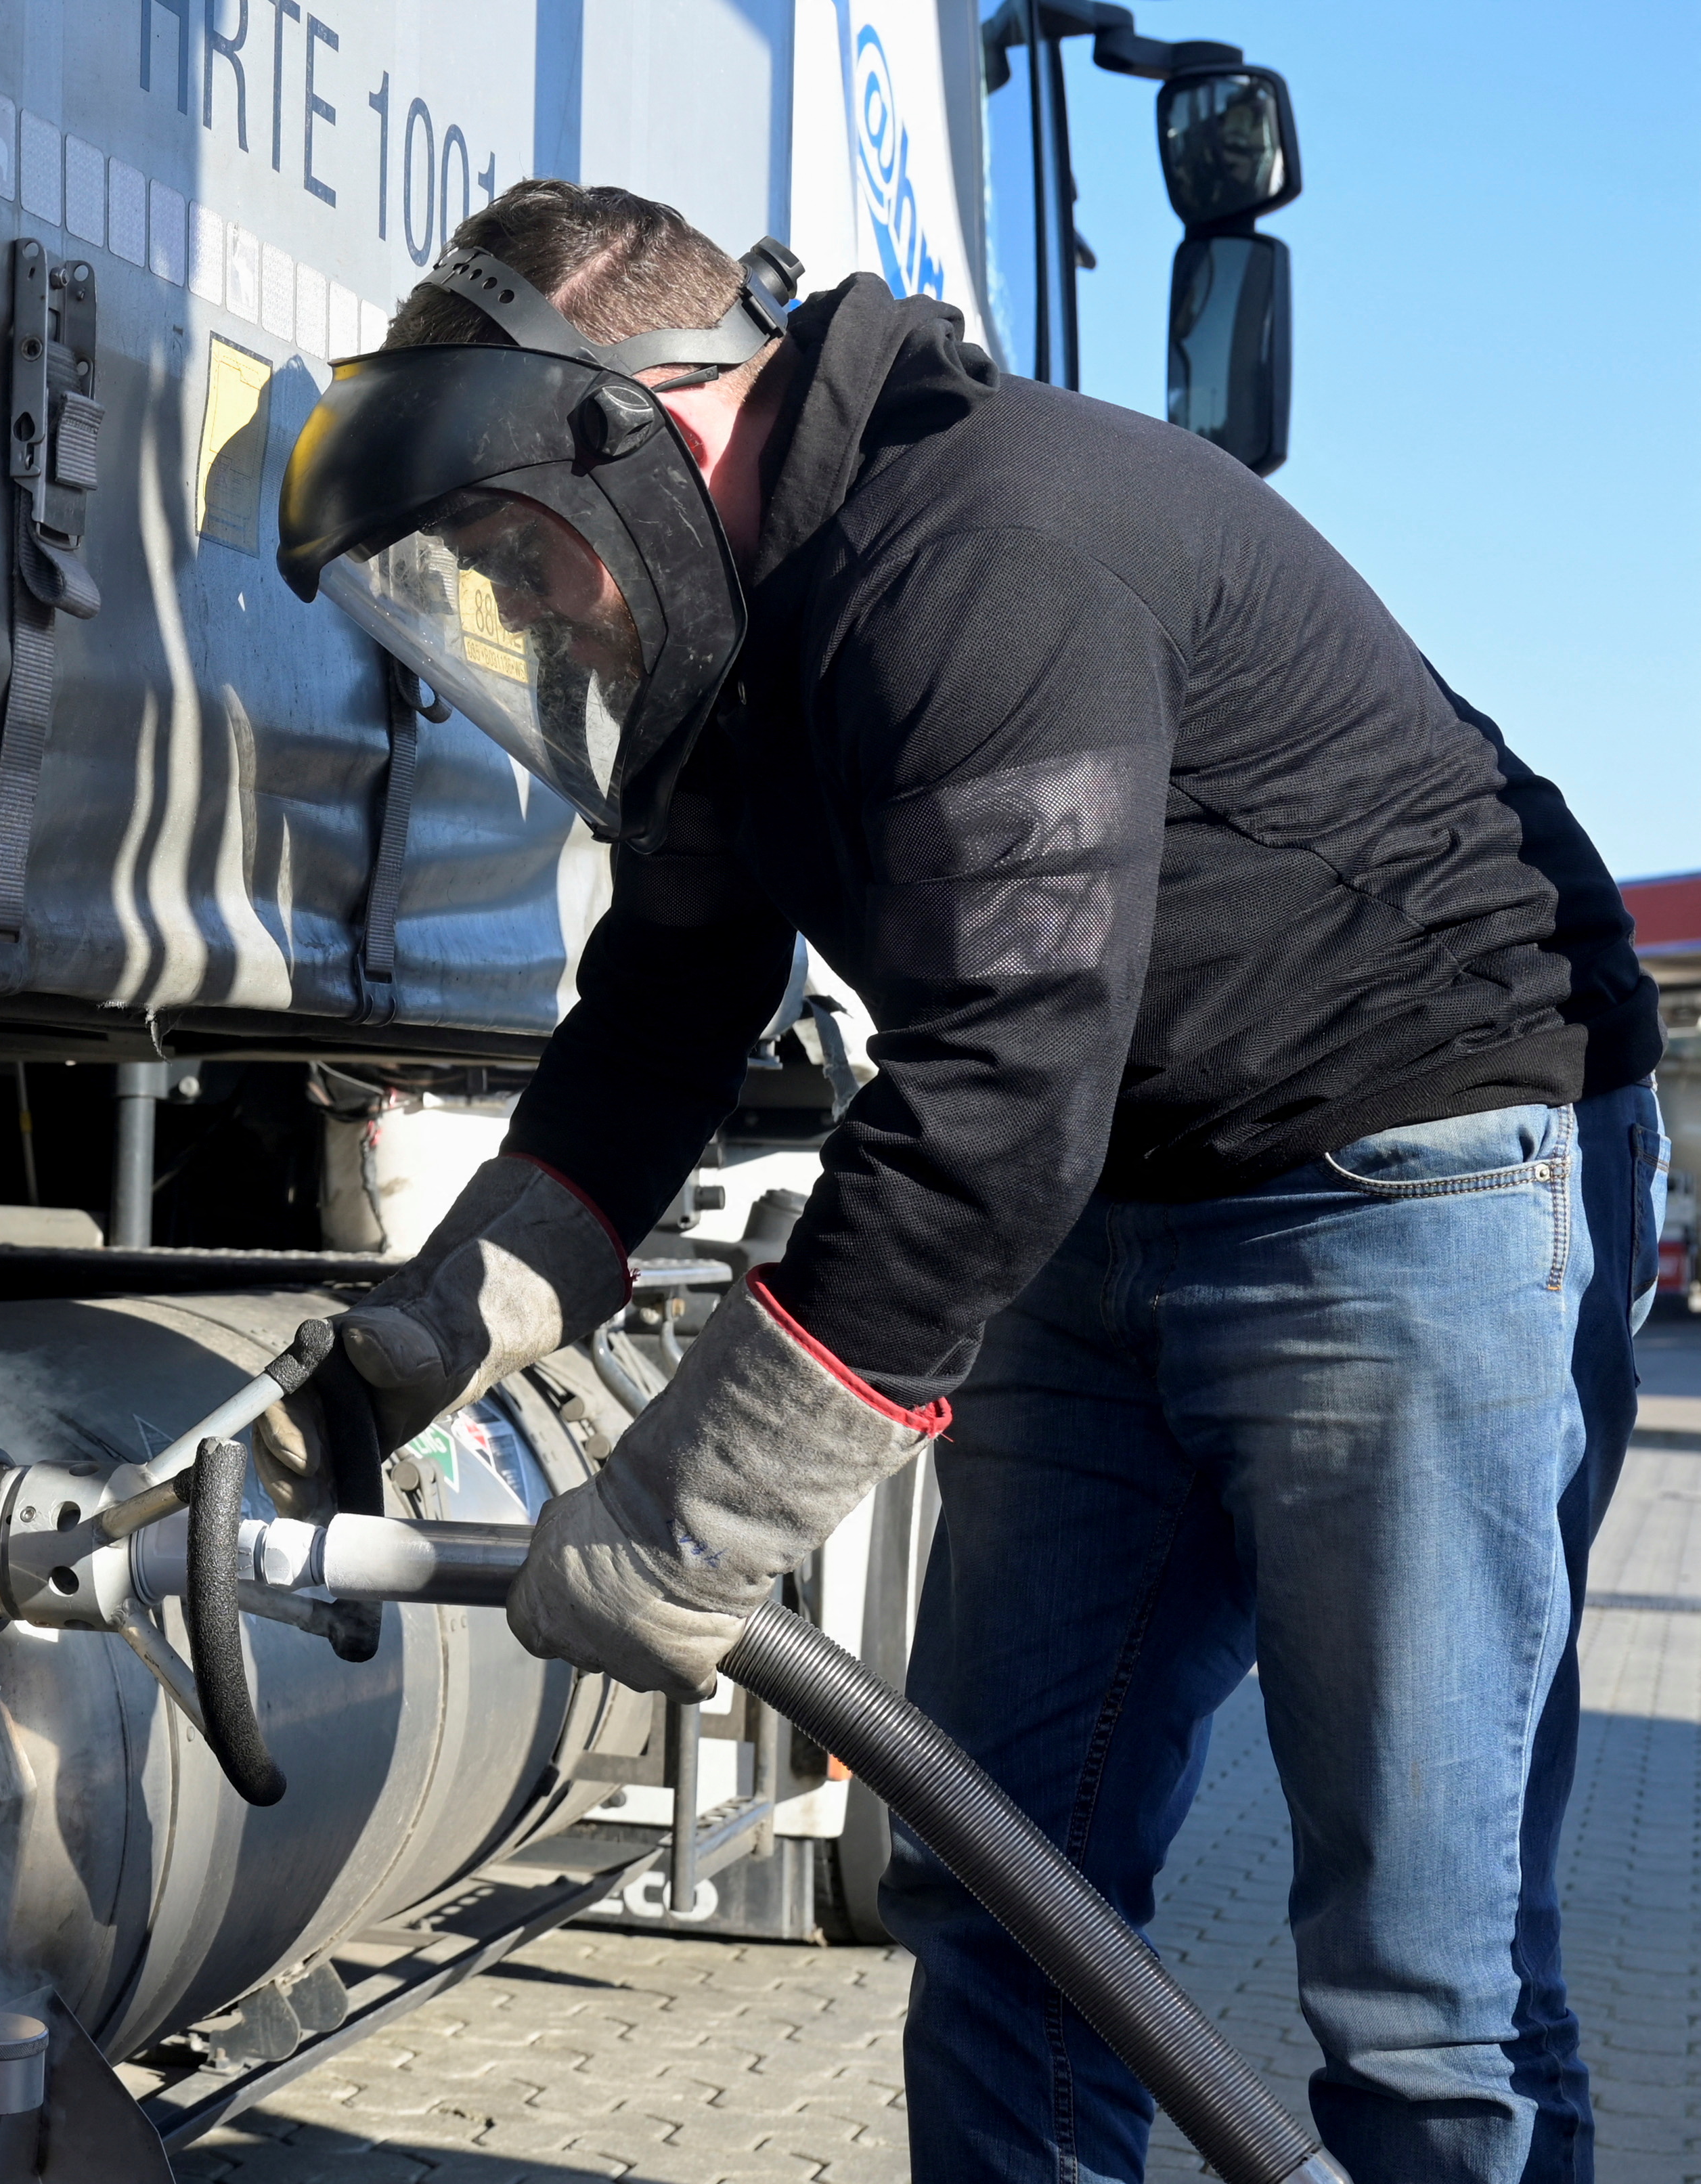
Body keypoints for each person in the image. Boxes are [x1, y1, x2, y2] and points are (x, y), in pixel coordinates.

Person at [275, 180, 1663, 2184]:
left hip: (1409, 1168)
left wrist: (687, 1511)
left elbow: (997, 1084)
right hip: (1113, 1191)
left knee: (1420, 1978)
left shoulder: (977, 540)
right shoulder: (730, 648)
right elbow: (662, 1020)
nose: (530, 606)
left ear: (642, 440)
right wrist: (430, 1330)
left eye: (520, 551)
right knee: (1006, 1889)